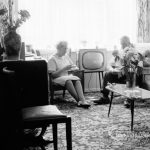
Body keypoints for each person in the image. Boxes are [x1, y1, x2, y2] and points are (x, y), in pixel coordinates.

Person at [94, 36, 140, 106]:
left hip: (130, 74)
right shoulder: (120, 51)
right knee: (107, 74)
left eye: (124, 44)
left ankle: (129, 99)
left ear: (128, 42)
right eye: (121, 44)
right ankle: (105, 97)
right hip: (119, 74)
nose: (122, 46)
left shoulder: (134, 51)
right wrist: (112, 70)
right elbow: (109, 64)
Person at [48, 41, 91, 108]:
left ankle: (83, 100)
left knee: (77, 80)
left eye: (66, 48)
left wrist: (74, 68)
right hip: (56, 79)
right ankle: (79, 101)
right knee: (68, 81)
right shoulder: (52, 59)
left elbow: (73, 65)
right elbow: (53, 75)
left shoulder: (66, 56)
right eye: (65, 49)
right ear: (59, 48)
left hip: (66, 77)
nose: (66, 51)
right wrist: (64, 69)